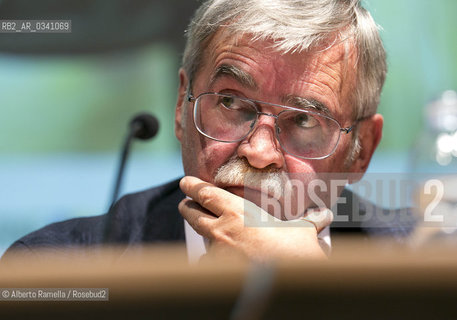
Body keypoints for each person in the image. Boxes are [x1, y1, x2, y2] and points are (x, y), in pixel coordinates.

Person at [2, 0, 414, 262]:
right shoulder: (55, 266)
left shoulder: (429, 265)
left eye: (305, 120)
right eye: (231, 103)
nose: (258, 152)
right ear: (182, 105)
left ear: (362, 150)